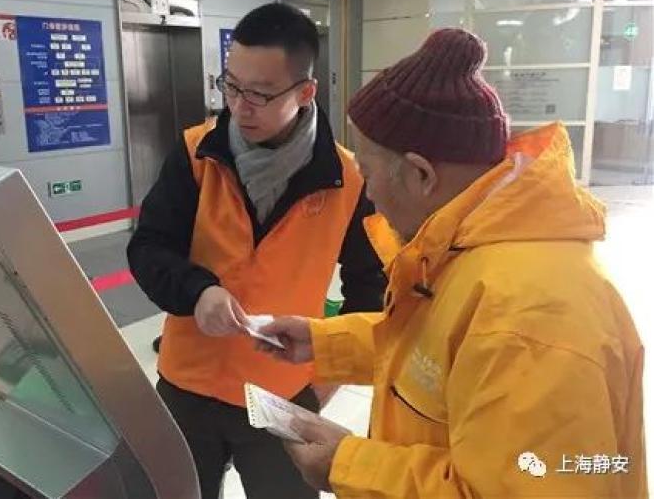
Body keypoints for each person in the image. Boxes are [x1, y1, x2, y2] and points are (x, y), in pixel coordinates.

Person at [259, 28, 647, 498]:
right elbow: (437, 352)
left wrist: (346, 465)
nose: (368, 192)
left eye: (368, 171)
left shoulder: (530, 318)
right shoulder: (471, 248)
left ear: (421, 174)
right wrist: (324, 343)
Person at [126, 2, 387, 499]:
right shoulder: (197, 154)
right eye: (232, 86)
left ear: (305, 92)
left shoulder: (348, 179)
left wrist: (327, 378)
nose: (241, 106)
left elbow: (370, 287)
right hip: (187, 384)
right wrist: (198, 292)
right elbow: (149, 248)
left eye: (261, 93)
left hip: (282, 392)